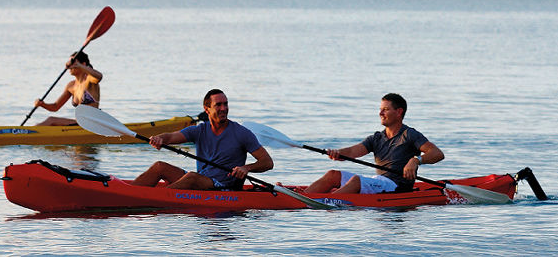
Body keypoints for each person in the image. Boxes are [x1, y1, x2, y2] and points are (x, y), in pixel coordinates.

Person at [129, 89, 274, 191]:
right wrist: (159, 138)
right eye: (218, 105)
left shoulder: (242, 133)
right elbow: (171, 137)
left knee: (192, 177)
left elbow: (267, 162)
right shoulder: (199, 130)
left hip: (224, 188)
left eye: (226, 104)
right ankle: (130, 194)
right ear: (207, 109)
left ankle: (154, 198)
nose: (223, 108)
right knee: (159, 166)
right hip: (202, 180)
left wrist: (246, 168)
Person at [302, 93, 443, 195]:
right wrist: (337, 153)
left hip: (396, 187)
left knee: (357, 180)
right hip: (378, 182)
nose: (380, 113)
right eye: (380, 109)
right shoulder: (376, 138)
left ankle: (325, 202)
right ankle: (302, 198)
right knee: (333, 174)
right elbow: (352, 152)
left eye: (386, 109)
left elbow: (437, 154)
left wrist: (416, 160)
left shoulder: (409, 134)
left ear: (399, 112)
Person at [31, 51, 102, 126]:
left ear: (83, 64)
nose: (70, 66)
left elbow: (99, 76)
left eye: (73, 63)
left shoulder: (89, 80)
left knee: (51, 120)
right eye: (70, 63)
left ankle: (27, 135)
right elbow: (55, 107)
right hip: (80, 123)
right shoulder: (71, 85)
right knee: (42, 124)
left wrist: (79, 65)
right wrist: (42, 104)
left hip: (92, 124)